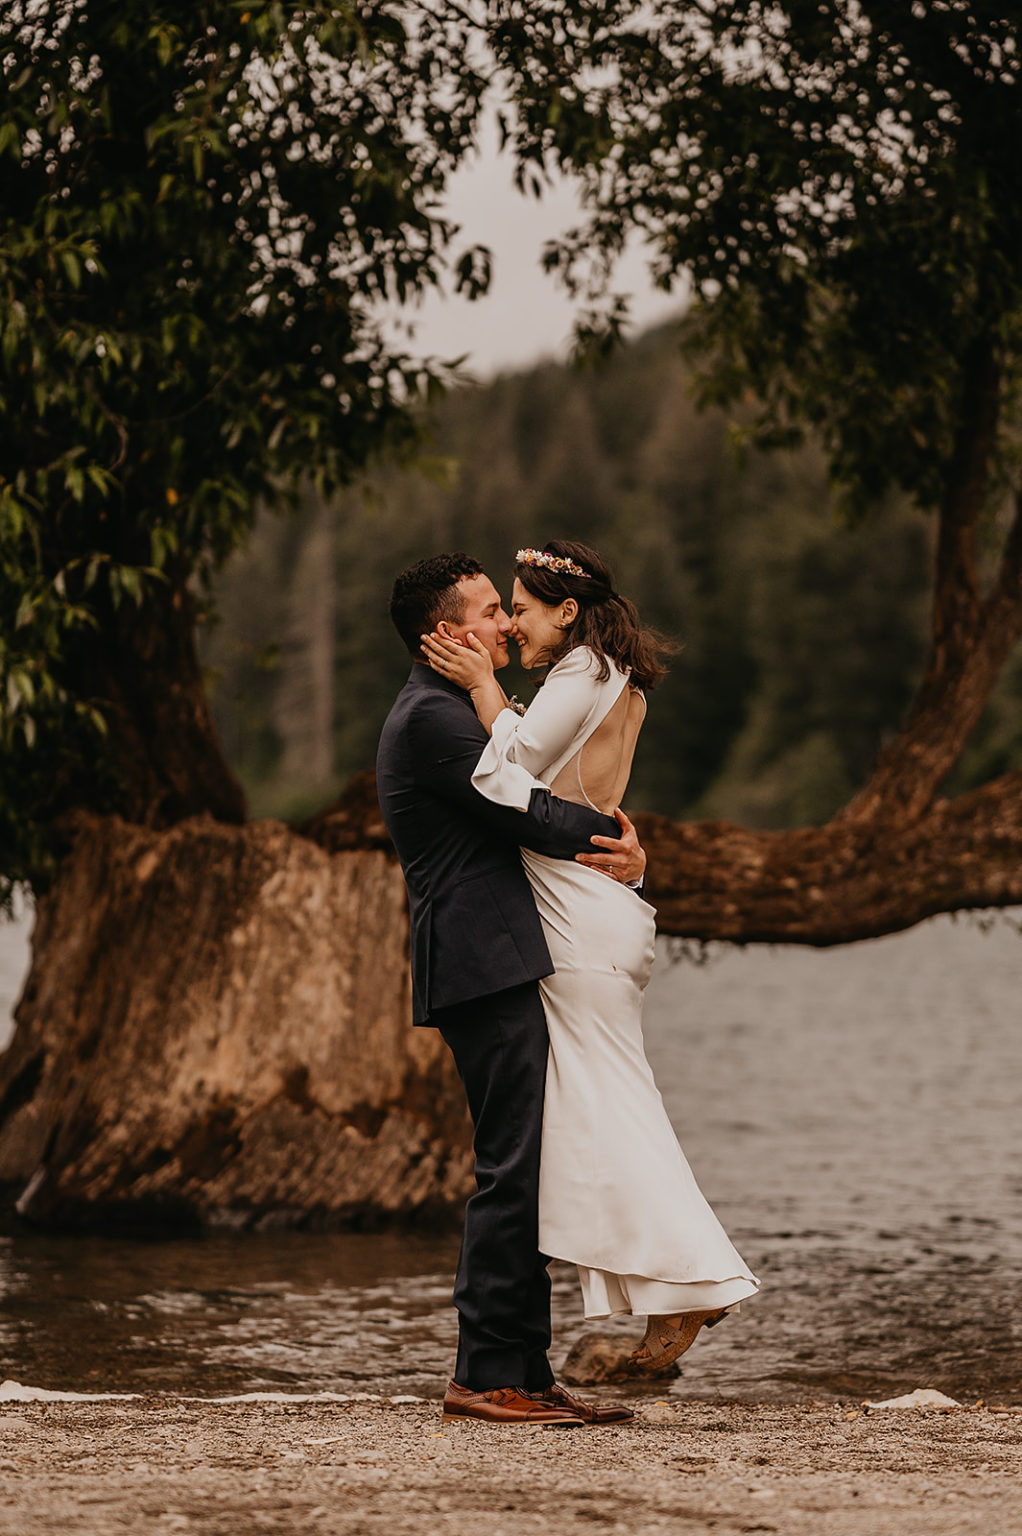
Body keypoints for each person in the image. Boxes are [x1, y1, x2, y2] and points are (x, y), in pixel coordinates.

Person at [421, 540, 759, 1373]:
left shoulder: (582, 671)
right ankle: (669, 1291)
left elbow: (513, 772)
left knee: (610, 1108)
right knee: (596, 1109)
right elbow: (575, 788)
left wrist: (482, 687)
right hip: (596, 901)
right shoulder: (616, 676)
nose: (513, 626)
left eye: (521, 610)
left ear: (567, 611)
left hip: (577, 910)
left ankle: (696, 1280)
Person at [376, 552, 645, 1427]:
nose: (504, 623)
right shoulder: (432, 718)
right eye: (491, 610)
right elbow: (523, 807)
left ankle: (524, 1371)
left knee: (531, 1165)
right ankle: (485, 1375)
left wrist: (625, 851)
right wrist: (614, 840)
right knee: (511, 1168)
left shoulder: (457, 707)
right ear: (447, 631)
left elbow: (534, 781)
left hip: (497, 958)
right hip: (480, 961)